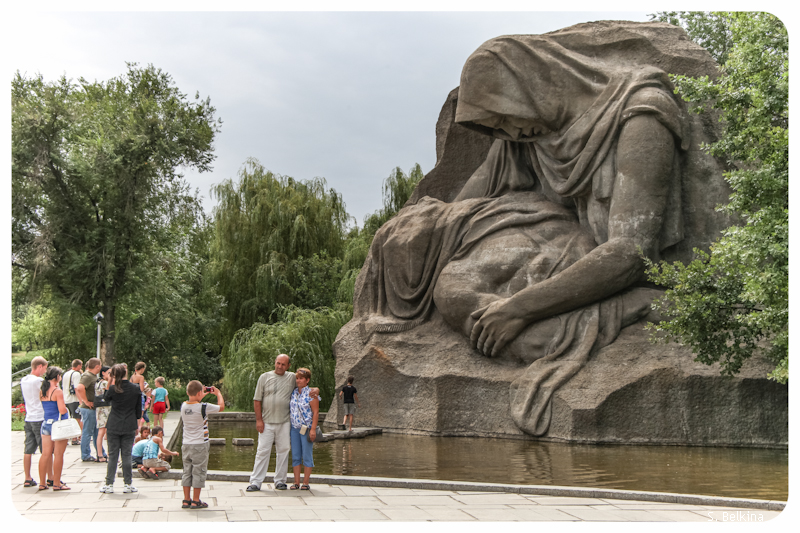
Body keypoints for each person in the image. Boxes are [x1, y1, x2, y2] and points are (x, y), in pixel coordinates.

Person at [245, 354, 319, 492]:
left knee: (284, 451)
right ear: (275, 362)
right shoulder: (264, 377)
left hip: (285, 422)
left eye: (283, 364)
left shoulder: (291, 377)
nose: (280, 366)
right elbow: (257, 400)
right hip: (266, 422)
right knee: (262, 451)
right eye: (278, 363)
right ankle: (256, 481)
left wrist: (316, 390)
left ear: (288, 366)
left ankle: (280, 481)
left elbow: (305, 384)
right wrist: (259, 420)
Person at [180, 381, 224, 509]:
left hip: (186, 444)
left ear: (187, 392)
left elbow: (194, 400)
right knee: (199, 471)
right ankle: (195, 500)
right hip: (200, 444)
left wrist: (200, 394)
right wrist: (218, 394)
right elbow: (221, 407)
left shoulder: (183, 406)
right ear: (200, 393)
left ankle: (186, 500)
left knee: (187, 472)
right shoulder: (203, 407)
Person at [100, 364, 142, 494]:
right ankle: (128, 484)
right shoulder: (135, 388)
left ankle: (109, 484)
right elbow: (138, 410)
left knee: (113, 455)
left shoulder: (113, 389)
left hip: (114, 424)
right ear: (126, 373)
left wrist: (109, 383)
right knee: (127, 455)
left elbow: (106, 399)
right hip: (129, 424)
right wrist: (137, 425)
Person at [20, 356, 51, 488]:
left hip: (29, 416)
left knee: (28, 449)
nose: (44, 371)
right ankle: (50, 477)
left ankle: (27, 477)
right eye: (44, 368)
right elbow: (47, 394)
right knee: (46, 450)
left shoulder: (24, 380)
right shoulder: (38, 381)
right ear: (39, 366)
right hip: (39, 416)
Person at [38, 367, 70, 491]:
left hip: (46, 423)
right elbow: (61, 410)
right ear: (57, 377)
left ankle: (42, 483)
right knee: (58, 454)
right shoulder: (57, 391)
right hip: (58, 425)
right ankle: (57, 483)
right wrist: (67, 410)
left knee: (45, 454)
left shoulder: (43, 390)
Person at [289, 367, 318, 490]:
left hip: (306, 428)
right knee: (296, 455)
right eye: (297, 378)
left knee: (306, 455)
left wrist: (312, 429)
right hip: (295, 428)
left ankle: (305, 482)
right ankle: (296, 482)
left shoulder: (311, 394)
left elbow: (315, 412)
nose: (298, 380)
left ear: (307, 380)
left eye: (301, 378)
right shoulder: (294, 392)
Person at [75, 357, 102, 462]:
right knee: (88, 431)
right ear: (97, 366)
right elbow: (80, 387)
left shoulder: (91, 376)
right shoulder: (87, 376)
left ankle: (100, 452)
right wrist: (85, 401)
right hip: (88, 408)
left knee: (95, 431)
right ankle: (85, 454)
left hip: (92, 408)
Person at [61, 359, 83, 445]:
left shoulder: (66, 373)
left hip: (66, 398)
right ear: (78, 366)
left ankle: (68, 437)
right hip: (74, 399)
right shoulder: (76, 374)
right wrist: (81, 400)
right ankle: (74, 438)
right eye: (81, 365)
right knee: (77, 418)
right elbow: (77, 388)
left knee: (69, 419)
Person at [94, 366, 111, 463]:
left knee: (101, 432)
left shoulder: (98, 382)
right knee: (106, 431)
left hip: (100, 409)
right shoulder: (105, 383)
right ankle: (108, 454)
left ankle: (100, 454)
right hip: (106, 409)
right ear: (103, 373)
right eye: (109, 373)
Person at [131, 361, 151, 432]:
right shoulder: (141, 377)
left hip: (133, 396)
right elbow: (142, 389)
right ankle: (138, 428)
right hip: (140, 396)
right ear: (142, 369)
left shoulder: (132, 376)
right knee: (140, 413)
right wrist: (146, 386)